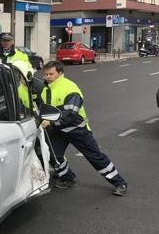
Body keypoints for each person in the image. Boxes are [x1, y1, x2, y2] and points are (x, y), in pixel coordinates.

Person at [40, 61, 127, 196]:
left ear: (60, 73)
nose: (47, 77)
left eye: (51, 74)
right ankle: (67, 178)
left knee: (95, 157)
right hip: (59, 130)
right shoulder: (46, 89)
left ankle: (119, 183)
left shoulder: (70, 88)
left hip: (77, 130)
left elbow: (71, 115)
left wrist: (50, 123)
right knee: (53, 155)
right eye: (45, 74)